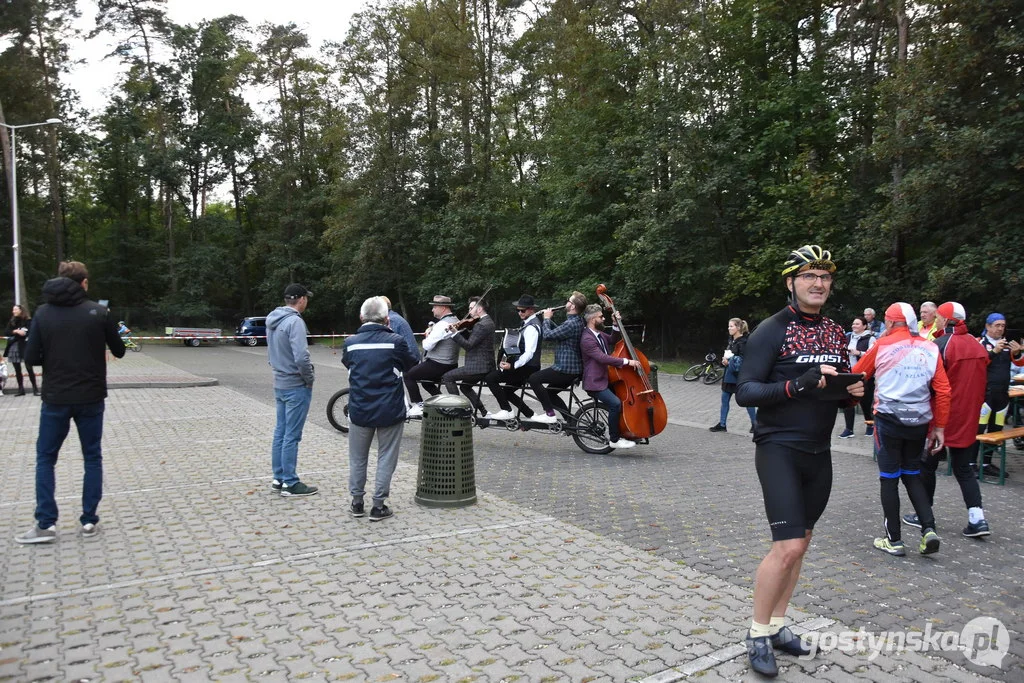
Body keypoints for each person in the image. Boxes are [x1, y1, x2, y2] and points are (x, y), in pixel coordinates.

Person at [735, 245, 863, 677]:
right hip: (779, 448)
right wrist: (796, 385)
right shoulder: (772, 330)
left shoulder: (833, 331)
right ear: (791, 283)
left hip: (819, 451)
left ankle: (777, 625)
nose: (819, 284)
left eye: (825, 277)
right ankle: (756, 633)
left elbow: (830, 387)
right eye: (810, 276)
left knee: (801, 546)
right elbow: (746, 392)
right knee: (786, 546)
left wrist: (852, 392)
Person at [16, 261, 126, 544]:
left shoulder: (42, 313)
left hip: (55, 398)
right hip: (91, 397)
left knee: (45, 458)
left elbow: (30, 357)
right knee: (92, 456)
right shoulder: (98, 313)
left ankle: (46, 524)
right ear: (84, 283)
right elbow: (120, 351)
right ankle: (89, 521)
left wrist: (52, 359)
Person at [852, 303, 950, 558]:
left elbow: (856, 373)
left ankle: (893, 539)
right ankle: (928, 529)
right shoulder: (930, 347)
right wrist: (939, 427)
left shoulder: (882, 346)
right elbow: (943, 390)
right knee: (912, 473)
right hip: (919, 423)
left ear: (891, 322)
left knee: (889, 477)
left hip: (888, 421)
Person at [904, 302, 991, 538]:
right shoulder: (977, 345)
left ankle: (925, 514)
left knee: (927, 465)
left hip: (941, 416)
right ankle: (977, 519)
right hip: (969, 416)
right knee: (964, 469)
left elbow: (928, 384)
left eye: (939, 317)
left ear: (945, 319)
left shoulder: (939, 345)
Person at [343, 296, 419, 522]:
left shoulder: (350, 343)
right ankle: (378, 505)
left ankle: (357, 502)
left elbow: (348, 364)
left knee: (357, 458)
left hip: (359, 408)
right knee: (386, 456)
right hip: (390, 408)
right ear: (387, 319)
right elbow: (412, 362)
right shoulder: (396, 341)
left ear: (361, 317)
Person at [266, 284, 318, 497]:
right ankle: (290, 482)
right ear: (302, 299)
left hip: (279, 381)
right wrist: (309, 378)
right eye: (306, 298)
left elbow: (270, 353)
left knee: (281, 432)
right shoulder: (295, 321)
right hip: (296, 384)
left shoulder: (272, 319)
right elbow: (301, 356)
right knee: (291, 436)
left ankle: (278, 478)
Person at [579, 304, 641, 449]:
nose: (603, 318)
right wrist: (627, 361)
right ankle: (614, 439)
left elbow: (613, 340)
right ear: (593, 319)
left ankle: (625, 431)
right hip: (594, 382)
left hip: (606, 379)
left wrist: (615, 323)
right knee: (615, 404)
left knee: (623, 402)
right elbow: (602, 358)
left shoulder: (599, 335)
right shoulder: (587, 339)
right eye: (601, 317)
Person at [976, 313, 1024, 477]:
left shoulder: (1007, 345)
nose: (1000, 329)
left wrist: (1017, 353)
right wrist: (994, 352)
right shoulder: (980, 343)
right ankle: (970, 463)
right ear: (988, 326)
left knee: (997, 429)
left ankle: (986, 463)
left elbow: (1018, 362)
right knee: (980, 429)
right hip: (985, 394)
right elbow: (978, 364)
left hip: (1003, 394)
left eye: (1003, 326)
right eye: (997, 325)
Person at [529, 291, 588, 424]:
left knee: (534, 379)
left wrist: (547, 319)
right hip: (572, 369)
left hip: (565, 369)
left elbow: (548, 336)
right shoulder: (577, 321)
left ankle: (549, 414)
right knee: (550, 393)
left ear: (572, 306)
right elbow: (559, 332)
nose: (566, 302)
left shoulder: (571, 324)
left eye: (569, 300)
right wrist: (549, 320)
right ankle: (570, 421)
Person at [484, 295, 542, 421]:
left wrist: (513, 365)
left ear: (531, 310)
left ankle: (507, 411)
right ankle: (530, 415)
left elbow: (529, 353)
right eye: (518, 310)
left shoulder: (532, 327)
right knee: (507, 392)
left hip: (529, 367)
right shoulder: (527, 323)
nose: (520, 313)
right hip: (526, 366)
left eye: (523, 310)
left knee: (491, 378)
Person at [405, 295, 459, 417]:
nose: (432, 310)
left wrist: (428, 335)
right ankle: (443, 404)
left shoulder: (442, 324)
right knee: (426, 382)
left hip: (440, 364)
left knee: (408, 376)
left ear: (443, 307)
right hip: (452, 363)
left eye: (434, 307)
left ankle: (418, 405)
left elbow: (427, 346)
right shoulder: (455, 319)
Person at [441, 297, 496, 414]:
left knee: (447, 377)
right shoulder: (487, 321)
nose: (469, 311)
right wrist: (461, 329)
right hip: (486, 365)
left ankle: (458, 408)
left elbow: (469, 345)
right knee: (465, 387)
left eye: (471, 308)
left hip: (478, 366)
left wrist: (455, 334)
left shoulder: (481, 325)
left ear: (480, 309)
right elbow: (474, 339)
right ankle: (483, 411)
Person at [709, 318, 756, 433]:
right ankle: (722, 424)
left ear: (738, 328)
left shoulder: (744, 342)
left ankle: (755, 424)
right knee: (724, 399)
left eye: (731, 326)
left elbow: (744, 360)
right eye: (729, 326)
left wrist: (730, 361)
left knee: (747, 400)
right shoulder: (731, 341)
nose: (729, 328)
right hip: (729, 375)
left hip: (740, 376)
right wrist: (724, 361)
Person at [839, 315, 876, 438]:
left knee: (866, 403)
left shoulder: (870, 338)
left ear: (864, 326)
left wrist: (858, 353)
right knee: (847, 401)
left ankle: (870, 425)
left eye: (857, 324)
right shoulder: (847, 337)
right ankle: (849, 429)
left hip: (864, 375)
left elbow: (872, 355)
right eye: (853, 324)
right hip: (849, 373)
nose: (854, 326)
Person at [4, 304, 39, 396]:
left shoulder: (28, 320)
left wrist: (23, 332)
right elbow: (7, 331)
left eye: (15, 309)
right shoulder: (12, 321)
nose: (13, 311)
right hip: (14, 347)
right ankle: (21, 389)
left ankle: (35, 388)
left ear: (21, 310)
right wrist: (15, 331)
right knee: (17, 369)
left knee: (29, 368)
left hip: (24, 346)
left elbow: (30, 331)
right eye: (13, 309)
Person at [380, 296, 420, 363]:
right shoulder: (394, 317)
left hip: (409, 362)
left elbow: (388, 344)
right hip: (410, 359)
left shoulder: (391, 320)